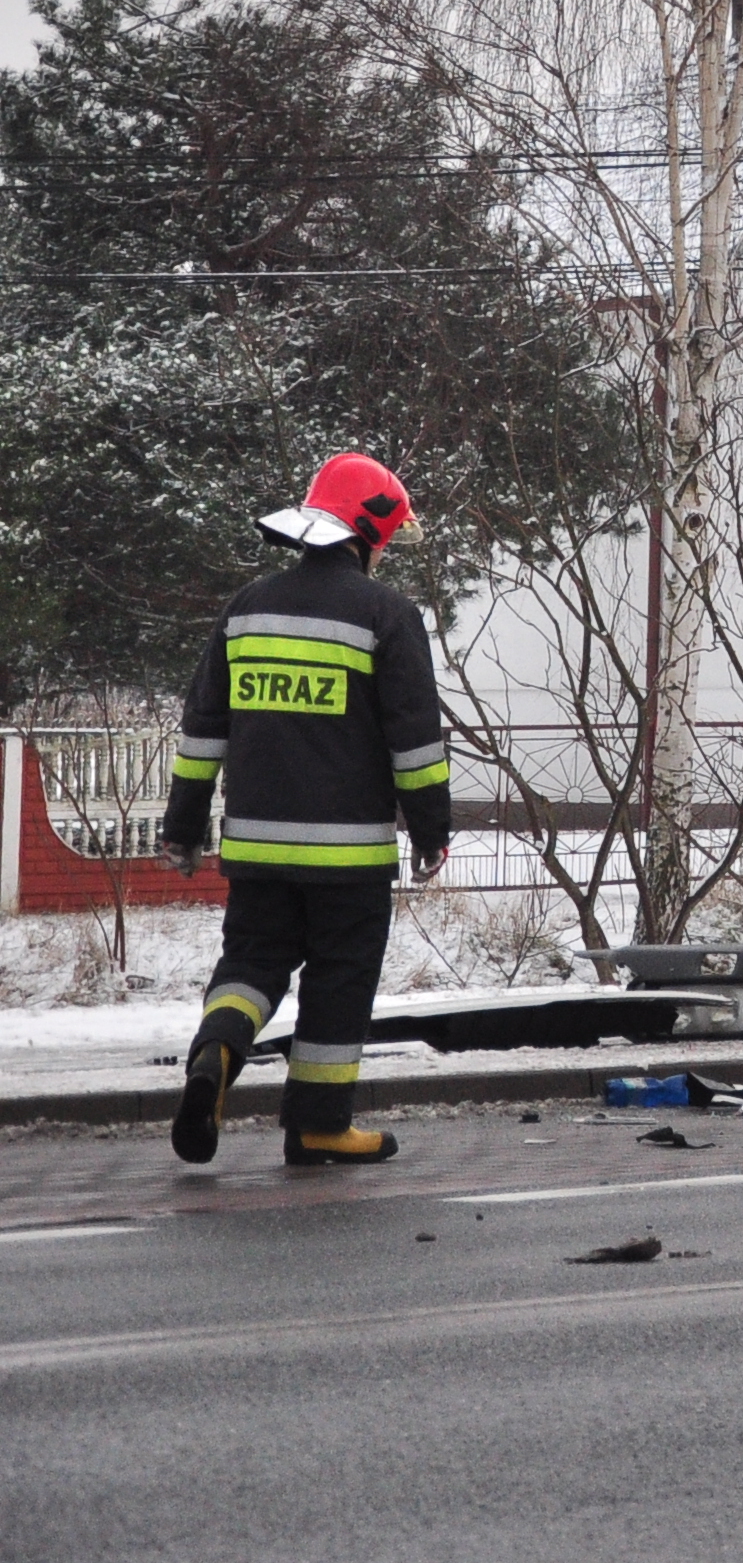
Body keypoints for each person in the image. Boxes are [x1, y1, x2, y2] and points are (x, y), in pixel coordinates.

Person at [161, 452, 449, 1168]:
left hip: (256, 845)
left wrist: (183, 827)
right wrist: (432, 831)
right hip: (348, 855)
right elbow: (414, 740)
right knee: (339, 978)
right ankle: (319, 1124)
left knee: (251, 964)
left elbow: (202, 733)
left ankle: (215, 1057)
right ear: (368, 533)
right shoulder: (387, 614)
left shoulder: (247, 607)